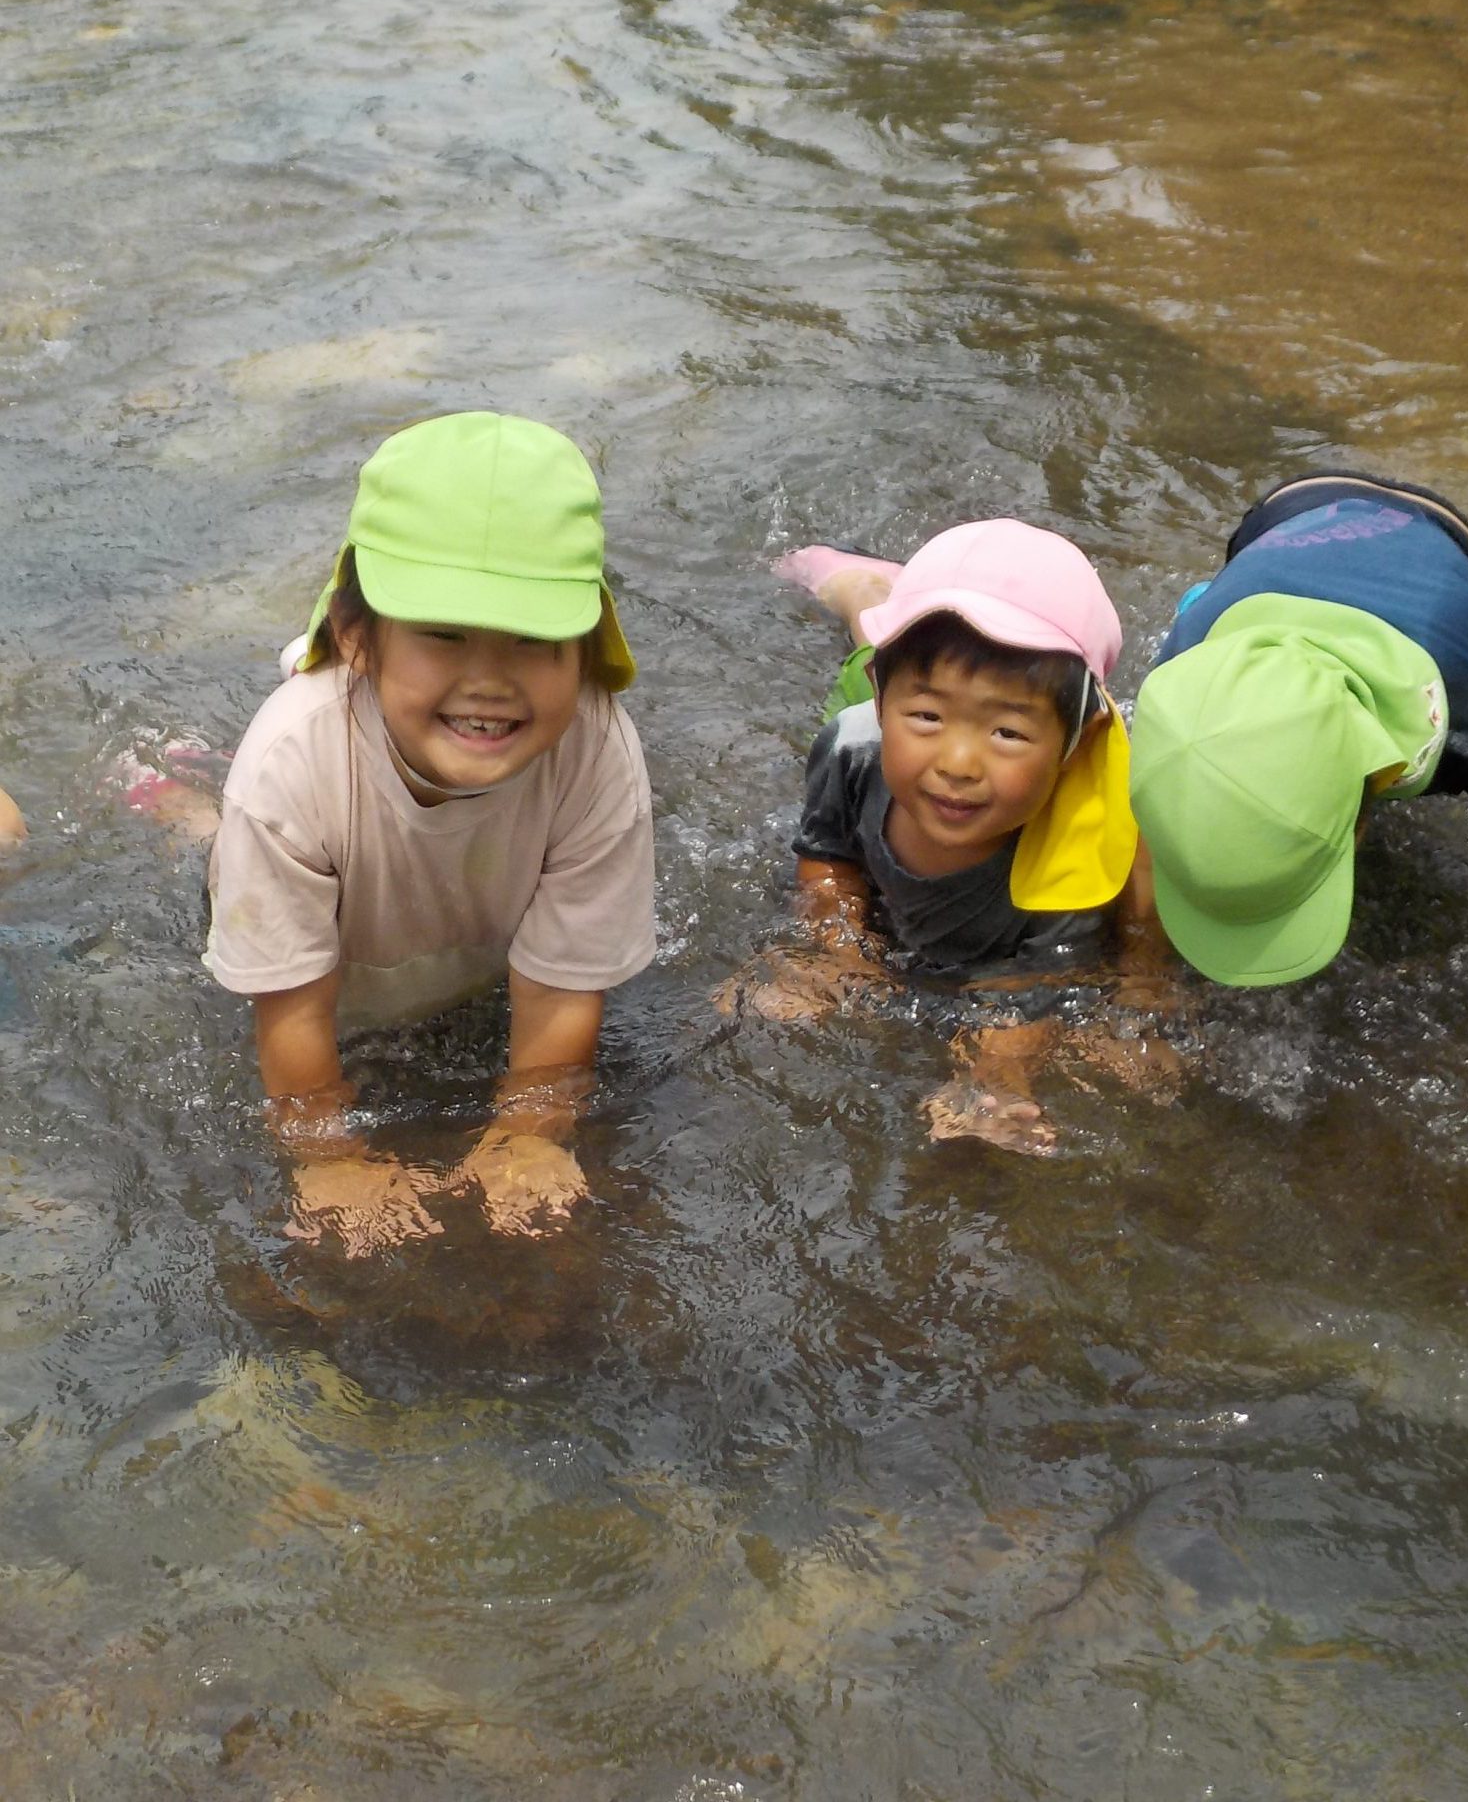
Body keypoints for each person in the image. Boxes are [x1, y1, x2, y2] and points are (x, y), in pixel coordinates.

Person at [206, 412, 656, 1255]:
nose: (488, 681)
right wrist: (330, 1158)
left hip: (470, 947)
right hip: (330, 944)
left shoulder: (597, 750)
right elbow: (292, 1008)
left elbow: (562, 992)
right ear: (356, 637)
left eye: (533, 640)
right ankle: (180, 805)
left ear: (587, 651)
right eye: (443, 636)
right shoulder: (290, 766)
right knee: (222, 850)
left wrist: (528, 1134)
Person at [1129, 470, 1468, 1086]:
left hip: (1438, 540)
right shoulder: (1183, 692)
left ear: (1361, 823)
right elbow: (1151, 841)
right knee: (1206, 649)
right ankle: (1218, 597)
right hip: (1281, 521)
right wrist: (1142, 987)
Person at [736, 522, 1175, 1153]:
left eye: (1007, 733)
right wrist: (833, 951)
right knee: (869, 646)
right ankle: (864, 589)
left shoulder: (1077, 842)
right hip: (878, 708)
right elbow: (828, 856)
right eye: (927, 716)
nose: (959, 763)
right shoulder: (853, 747)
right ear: (886, 702)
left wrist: (996, 1075)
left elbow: (1041, 980)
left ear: (1075, 744)